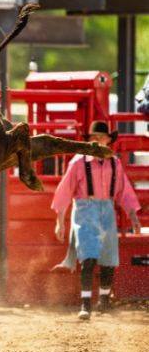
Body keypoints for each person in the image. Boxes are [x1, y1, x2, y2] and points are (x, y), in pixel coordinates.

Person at [51, 121, 141, 320]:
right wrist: (60, 220)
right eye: (95, 137)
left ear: (109, 140)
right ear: (90, 140)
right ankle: (85, 305)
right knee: (88, 257)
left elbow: (124, 191)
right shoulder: (78, 162)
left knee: (109, 259)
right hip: (85, 209)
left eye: (102, 137)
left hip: (106, 209)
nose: (99, 140)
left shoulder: (115, 163)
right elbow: (65, 191)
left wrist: (133, 217)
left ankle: (104, 301)